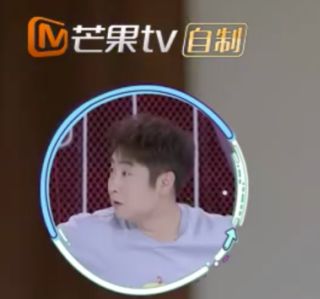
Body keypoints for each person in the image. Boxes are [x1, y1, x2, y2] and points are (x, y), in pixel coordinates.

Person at [58, 113, 233, 289]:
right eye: (112, 170)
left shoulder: (223, 236)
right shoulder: (85, 235)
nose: (113, 186)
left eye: (125, 173)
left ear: (165, 182)